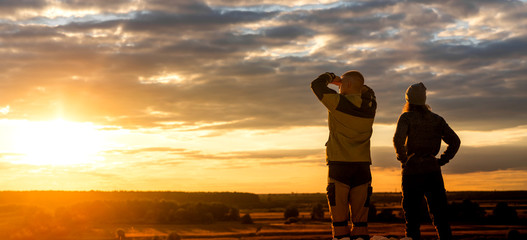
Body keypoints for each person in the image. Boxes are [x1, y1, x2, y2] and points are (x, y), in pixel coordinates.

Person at [311, 71, 377, 240]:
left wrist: (331, 77)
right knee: (361, 221)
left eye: (342, 85)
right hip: (362, 166)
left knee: (339, 219)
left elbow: (316, 85)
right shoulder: (370, 105)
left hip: (339, 165)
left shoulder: (338, 102)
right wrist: (350, 83)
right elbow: (369, 90)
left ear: (346, 85)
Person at [393, 82, 461, 240]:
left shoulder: (406, 117)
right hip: (433, 171)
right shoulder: (437, 119)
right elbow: (455, 141)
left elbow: (398, 140)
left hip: (412, 172)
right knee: (440, 216)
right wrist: (441, 161)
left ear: (408, 100)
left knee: (412, 219)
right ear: (424, 100)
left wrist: (404, 159)